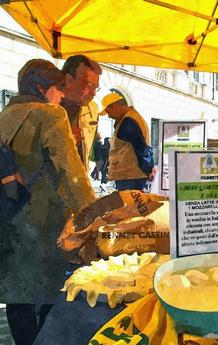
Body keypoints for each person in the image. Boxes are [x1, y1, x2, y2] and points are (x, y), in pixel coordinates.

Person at [0, 59, 96, 345]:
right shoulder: (50, 115)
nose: (62, 95)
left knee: (17, 295)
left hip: (8, 219)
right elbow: (71, 170)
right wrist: (92, 212)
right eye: (58, 88)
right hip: (42, 224)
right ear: (42, 88)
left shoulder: (5, 115)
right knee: (48, 295)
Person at [100, 92, 155, 191]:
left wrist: (148, 169)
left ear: (116, 106)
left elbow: (141, 148)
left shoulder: (128, 121)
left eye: (109, 111)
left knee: (130, 205)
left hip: (130, 176)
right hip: (131, 175)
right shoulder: (131, 117)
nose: (109, 116)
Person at [61, 55, 102, 171]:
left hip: (79, 179)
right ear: (68, 80)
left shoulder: (92, 110)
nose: (94, 93)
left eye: (96, 87)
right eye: (89, 85)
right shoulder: (50, 107)